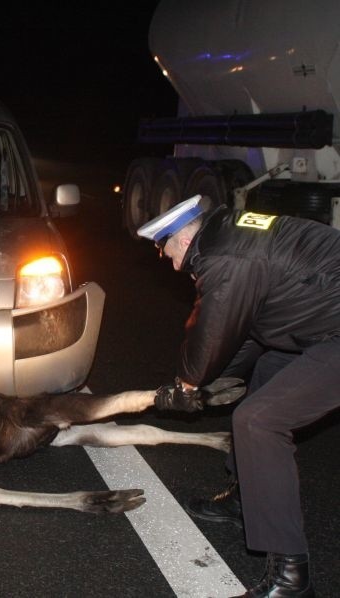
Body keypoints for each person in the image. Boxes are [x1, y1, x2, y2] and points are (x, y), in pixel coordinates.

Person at [137, 194, 340, 597]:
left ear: (181, 239)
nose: (169, 262)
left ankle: (291, 580)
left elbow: (212, 331)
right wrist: (211, 381)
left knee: (260, 421)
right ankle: (247, 500)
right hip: (321, 319)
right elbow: (244, 329)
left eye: (165, 250)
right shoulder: (230, 236)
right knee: (266, 372)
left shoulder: (224, 258)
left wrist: (188, 384)